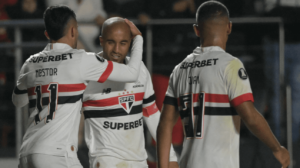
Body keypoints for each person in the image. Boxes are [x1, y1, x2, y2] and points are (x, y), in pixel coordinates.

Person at [156, 1, 290, 168]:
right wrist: (277, 148)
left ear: (196, 30)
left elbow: (164, 124)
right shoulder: (230, 65)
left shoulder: (180, 69)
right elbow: (250, 117)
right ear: (229, 28)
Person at [12, 5, 143, 168]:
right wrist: (138, 39)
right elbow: (131, 73)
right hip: (56, 154)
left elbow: (18, 101)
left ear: (47, 34)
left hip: (26, 154)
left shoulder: (30, 62)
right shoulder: (81, 59)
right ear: (74, 31)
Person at [82, 17, 178, 168]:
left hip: (139, 161)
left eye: (123, 43)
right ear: (101, 41)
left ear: (130, 43)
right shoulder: (86, 72)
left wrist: (170, 156)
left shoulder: (140, 69)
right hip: (107, 161)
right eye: (111, 42)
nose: (116, 50)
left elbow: (151, 113)